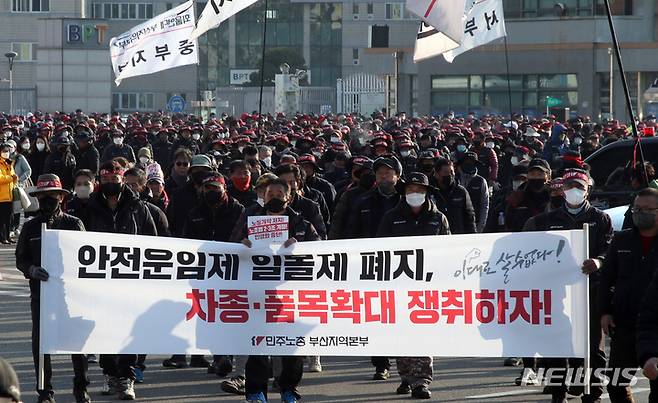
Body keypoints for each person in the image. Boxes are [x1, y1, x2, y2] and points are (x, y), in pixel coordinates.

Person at [523, 169, 612, 403]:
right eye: (570, 186)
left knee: (592, 346)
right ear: (562, 190)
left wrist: (599, 261)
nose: (574, 190)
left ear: (588, 190)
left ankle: (592, 392)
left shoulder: (600, 219)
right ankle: (558, 393)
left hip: (590, 290)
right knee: (556, 344)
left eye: (580, 186)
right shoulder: (544, 221)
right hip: (556, 292)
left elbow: (609, 249)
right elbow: (530, 251)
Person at [236, 177, 319, 403]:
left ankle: (289, 389)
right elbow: (231, 245)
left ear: (288, 196)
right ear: (264, 196)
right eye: (270, 193)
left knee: (291, 347)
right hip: (258, 294)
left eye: (279, 193)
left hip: (290, 296)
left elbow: (320, 250)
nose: (274, 197)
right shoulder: (250, 221)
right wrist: (241, 245)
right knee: (258, 344)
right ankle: (256, 391)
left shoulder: (302, 223)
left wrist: (300, 248)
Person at [83, 161, 157, 401]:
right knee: (104, 327)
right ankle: (109, 372)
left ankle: (126, 376)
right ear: (99, 182)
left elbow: (154, 241)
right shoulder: (87, 207)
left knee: (129, 328)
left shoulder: (138, 207)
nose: (110, 184)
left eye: (114, 180)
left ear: (122, 180)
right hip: (99, 278)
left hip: (132, 279)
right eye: (105, 181)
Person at [15, 174, 90, 403]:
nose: (48, 200)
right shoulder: (29, 227)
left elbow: (87, 258)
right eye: (43, 196)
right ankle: (45, 392)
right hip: (41, 294)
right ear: (37, 198)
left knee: (77, 344)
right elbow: (21, 259)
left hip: (71, 295)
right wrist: (31, 269)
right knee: (41, 344)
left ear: (61, 196)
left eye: (52, 195)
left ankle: (81, 388)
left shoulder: (73, 224)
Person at [376, 172, 450, 399]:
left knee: (422, 331)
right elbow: (380, 249)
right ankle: (406, 377)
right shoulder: (391, 217)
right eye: (410, 190)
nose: (414, 194)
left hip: (427, 285)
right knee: (401, 332)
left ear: (427, 193)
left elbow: (449, 249)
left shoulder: (438, 218)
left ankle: (421, 381)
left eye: (419, 190)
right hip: (398, 284)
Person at [599, 187, 658, 402]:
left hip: (655, 327)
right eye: (637, 209)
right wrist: (605, 311)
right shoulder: (622, 240)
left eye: (647, 209)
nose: (640, 213)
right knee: (616, 383)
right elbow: (607, 278)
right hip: (624, 323)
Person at [430, 158, 476, 234]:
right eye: (445, 172)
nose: (450, 175)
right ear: (437, 174)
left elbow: (470, 219)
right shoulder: (430, 192)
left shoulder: (461, 192)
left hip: (457, 238)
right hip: (437, 236)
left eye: (451, 172)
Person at [455, 152, 489, 233]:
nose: (468, 165)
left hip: (474, 224)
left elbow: (485, 204)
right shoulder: (454, 180)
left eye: (471, 163)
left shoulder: (481, 181)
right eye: (466, 163)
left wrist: (481, 226)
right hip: (456, 224)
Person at [0, 144, 17, 244]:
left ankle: (7, 236)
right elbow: (1, 178)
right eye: (4, 151)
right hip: (1, 196)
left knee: (9, 218)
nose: (6, 153)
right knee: (2, 219)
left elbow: (13, 176)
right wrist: (11, 178)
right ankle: (2, 237)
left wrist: (15, 179)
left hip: (9, 195)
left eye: (7, 151)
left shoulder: (9, 163)